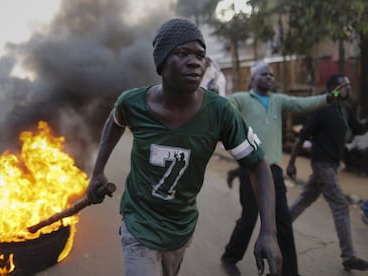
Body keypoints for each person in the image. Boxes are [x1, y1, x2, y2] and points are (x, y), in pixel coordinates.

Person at [86, 18, 282, 276]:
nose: (195, 62)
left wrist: (269, 232)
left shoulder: (220, 112)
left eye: (201, 55)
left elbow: (257, 165)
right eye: (182, 53)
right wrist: (98, 171)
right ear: (162, 62)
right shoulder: (133, 103)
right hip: (138, 223)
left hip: (180, 226)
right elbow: (115, 120)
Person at [221, 61, 339, 276]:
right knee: (250, 217)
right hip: (250, 169)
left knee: (282, 221)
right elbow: (221, 106)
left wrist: (330, 97)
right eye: (264, 74)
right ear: (252, 78)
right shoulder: (241, 99)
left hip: (273, 171)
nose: (270, 78)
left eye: (272, 75)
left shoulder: (279, 101)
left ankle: (290, 272)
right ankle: (230, 257)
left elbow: (304, 104)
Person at [286, 73, 368, 271]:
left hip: (331, 164)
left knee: (305, 198)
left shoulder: (346, 109)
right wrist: (291, 163)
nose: (348, 87)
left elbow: (358, 129)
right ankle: (348, 256)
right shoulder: (321, 109)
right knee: (340, 206)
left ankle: (279, 225)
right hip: (321, 163)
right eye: (345, 84)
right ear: (334, 89)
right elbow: (302, 136)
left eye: (349, 84)